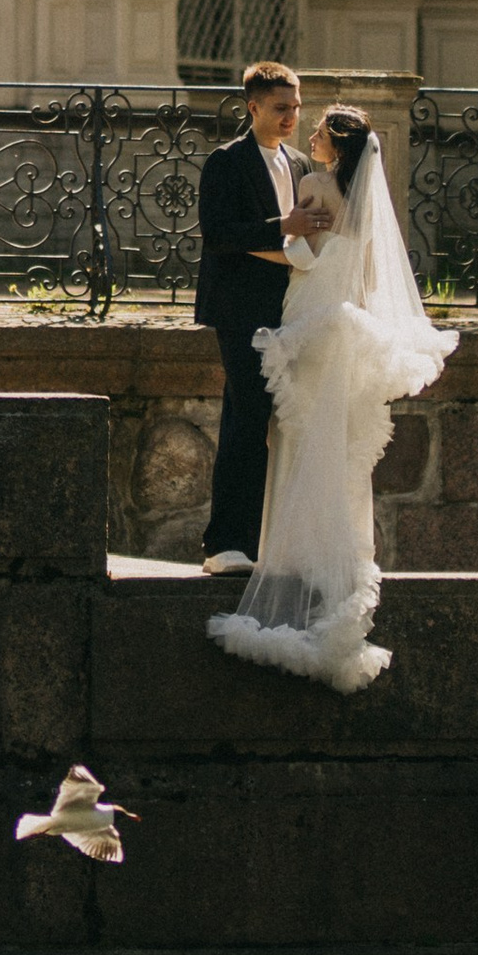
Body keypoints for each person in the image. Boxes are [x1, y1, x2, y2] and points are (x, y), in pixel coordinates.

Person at [207, 100, 458, 693]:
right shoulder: (366, 202)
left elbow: (300, 250)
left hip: (308, 308)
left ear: (337, 146)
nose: (311, 134)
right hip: (341, 316)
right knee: (334, 436)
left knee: (295, 431)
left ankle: (288, 555)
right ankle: (333, 557)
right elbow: (367, 273)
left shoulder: (316, 183)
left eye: (319, 128)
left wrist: (262, 245)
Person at [193, 59, 305, 576]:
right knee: (248, 416)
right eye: (281, 108)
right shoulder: (226, 162)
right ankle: (225, 543)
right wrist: (282, 225)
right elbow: (217, 234)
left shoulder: (301, 164)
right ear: (253, 107)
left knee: (263, 418)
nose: (291, 117)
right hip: (239, 309)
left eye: (297, 107)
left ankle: (252, 541)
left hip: (289, 308)